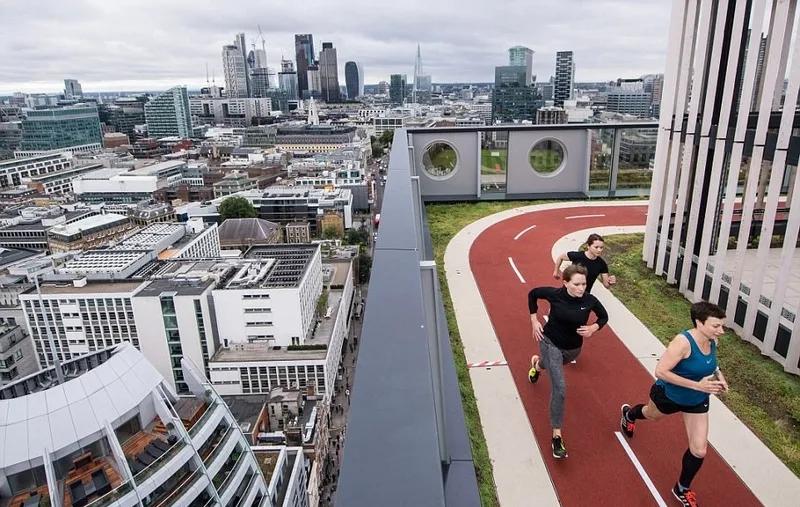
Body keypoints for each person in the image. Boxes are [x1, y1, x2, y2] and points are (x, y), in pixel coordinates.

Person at [619, 301, 728, 507]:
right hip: (669, 396)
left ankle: (682, 488)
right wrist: (697, 385)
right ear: (699, 323)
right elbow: (660, 371)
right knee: (651, 415)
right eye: (716, 326)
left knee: (699, 450)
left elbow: (714, 365)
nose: (721, 331)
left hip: (696, 401)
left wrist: (720, 378)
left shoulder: (712, 340)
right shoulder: (683, 343)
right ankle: (630, 415)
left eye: (722, 326)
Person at [527, 264, 609, 459]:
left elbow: (604, 316)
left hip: (573, 350)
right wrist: (534, 321)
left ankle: (537, 364)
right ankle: (557, 436)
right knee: (560, 389)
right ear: (565, 283)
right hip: (550, 343)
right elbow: (533, 294)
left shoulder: (589, 300)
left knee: (548, 364)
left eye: (584, 284)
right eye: (577, 284)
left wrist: (593, 328)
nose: (581, 288)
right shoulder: (555, 295)